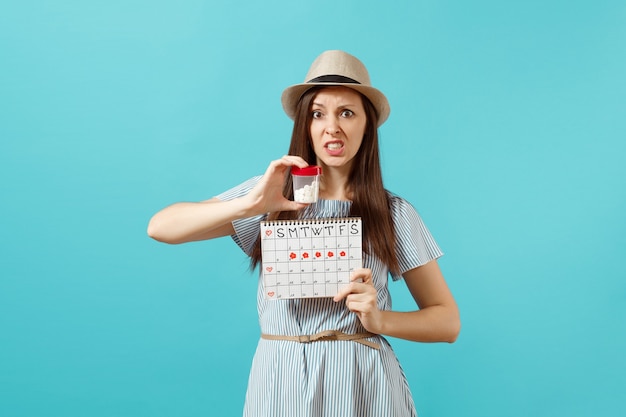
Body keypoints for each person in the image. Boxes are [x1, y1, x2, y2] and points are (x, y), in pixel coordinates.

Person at [147, 50, 460, 417]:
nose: (332, 127)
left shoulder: (392, 212)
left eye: (347, 112)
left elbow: (447, 321)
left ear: (367, 125)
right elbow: (161, 227)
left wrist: (380, 320)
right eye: (318, 113)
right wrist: (250, 205)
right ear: (305, 126)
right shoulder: (271, 195)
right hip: (278, 379)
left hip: (361, 383)